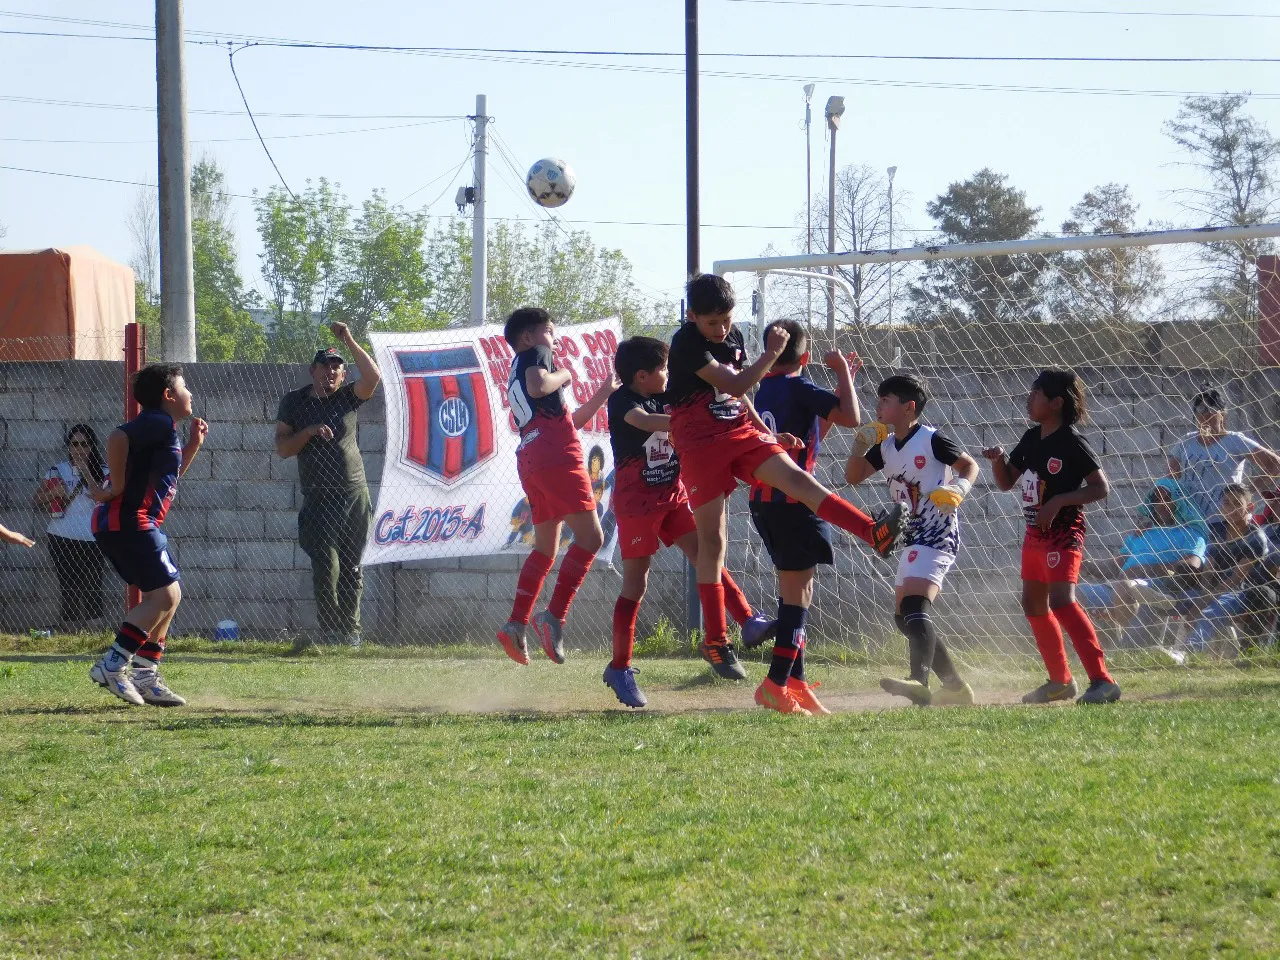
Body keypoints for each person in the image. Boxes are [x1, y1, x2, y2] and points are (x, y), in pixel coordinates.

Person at [666, 274, 904, 683]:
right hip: (698, 443)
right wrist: (771, 353)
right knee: (713, 542)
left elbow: (740, 398)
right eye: (711, 323)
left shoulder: (732, 337)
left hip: (738, 432)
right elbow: (738, 382)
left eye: (726, 319)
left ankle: (873, 533)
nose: (721, 329)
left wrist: (767, 434)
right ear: (692, 318)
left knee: (800, 481)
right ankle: (716, 640)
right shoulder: (686, 342)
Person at [603, 336, 773, 707]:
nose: (668, 374)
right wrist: (690, 422)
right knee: (636, 583)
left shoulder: (671, 394)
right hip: (637, 503)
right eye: (663, 369)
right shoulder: (623, 401)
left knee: (707, 554)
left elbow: (720, 400)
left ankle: (747, 620)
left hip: (673, 496)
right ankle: (620, 668)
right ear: (642, 376)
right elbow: (645, 422)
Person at [743, 319, 862, 714]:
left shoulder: (763, 390)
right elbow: (852, 418)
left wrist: (841, 386)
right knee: (799, 595)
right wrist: (841, 372)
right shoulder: (799, 386)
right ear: (806, 357)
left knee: (793, 592)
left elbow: (815, 434)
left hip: (764, 501)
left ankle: (795, 682)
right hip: (793, 502)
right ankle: (775, 685)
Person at [982, 368, 1122, 705]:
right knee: (1032, 603)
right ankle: (1060, 681)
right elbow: (1006, 482)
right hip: (1035, 534)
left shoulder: (1072, 442)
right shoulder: (1032, 438)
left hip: (1064, 533)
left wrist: (1058, 501)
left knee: (1061, 601)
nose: (1028, 399)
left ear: (1056, 402)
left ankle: (1103, 681)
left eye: (1036, 394)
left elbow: (1100, 488)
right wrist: (998, 460)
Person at [845, 373, 980, 708]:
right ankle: (954, 686)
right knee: (904, 617)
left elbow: (969, 466)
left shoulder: (931, 440)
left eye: (885, 400)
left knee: (914, 608)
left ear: (908, 407)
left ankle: (919, 682)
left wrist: (959, 488)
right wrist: (859, 446)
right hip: (911, 537)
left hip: (937, 533)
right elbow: (853, 477)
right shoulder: (886, 446)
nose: (877, 405)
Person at [495, 307, 617, 666]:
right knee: (591, 538)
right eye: (550, 331)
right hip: (555, 454)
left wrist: (602, 393)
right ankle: (553, 617)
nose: (555, 338)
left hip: (533, 456)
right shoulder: (537, 354)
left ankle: (516, 623)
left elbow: (569, 420)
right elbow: (540, 385)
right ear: (528, 337)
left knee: (546, 549)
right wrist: (565, 374)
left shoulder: (517, 367)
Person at [88, 363, 207, 707]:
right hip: (130, 522)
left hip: (132, 524)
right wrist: (117, 486)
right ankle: (112, 666)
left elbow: (169, 476)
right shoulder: (158, 422)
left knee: (171, 595)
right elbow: (117, 436)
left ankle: (145, 674)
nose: (190, 393)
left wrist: (193, 445)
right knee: (164, 597)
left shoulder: (164, 429)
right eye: (184, 388)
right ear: (168, 395)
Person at [275, 322, 381, 648]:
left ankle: (350, 633)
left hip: (354, 493)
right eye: (325, 366)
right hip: (319, 496)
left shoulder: (348, 397)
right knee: (326, 565)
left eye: (337, 367)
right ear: (313, 370)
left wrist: (348, 338)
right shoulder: (295, 402)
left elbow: (373, 378)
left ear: (343, 374)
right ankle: (331, 631)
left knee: (352, 565)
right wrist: (308, 432)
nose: (331, 372)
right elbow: (283, 448)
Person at [1075, 480, 1208, 640]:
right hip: (1119, 585)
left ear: (1180, 501)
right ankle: (1082, 647)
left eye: (1167, 498)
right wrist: (1084, 565)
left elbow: (1192, 565)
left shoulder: (1191, 534)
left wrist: (1146, 570)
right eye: (1157, 499)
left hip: (1157, 588)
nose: (1161, 504)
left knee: (1128, 587)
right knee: (1075, 593)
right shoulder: (1142, 533)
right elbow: (1115, 566)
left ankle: (1124, 641)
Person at [33, 424, 108, 630]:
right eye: (74, 444)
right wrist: (54, 493)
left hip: (93, 537)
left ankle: (94, 633)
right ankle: (70, 634)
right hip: (61, 535)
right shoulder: (58, 470)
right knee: (68, 586)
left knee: (93, 586)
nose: (79, 449)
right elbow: (36, 500)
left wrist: (86, 472)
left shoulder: (104, 471)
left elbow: (104, 498)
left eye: (84, 444)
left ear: (92, 446)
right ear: (69, 447)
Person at [1167, 387, 1280, 523]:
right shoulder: (1185, 442)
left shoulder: (1235, 440)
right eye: (1201, 409)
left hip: (1224, 522)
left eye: (1212, 409)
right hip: (1188, 522)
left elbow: (1276, 464)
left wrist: (1247, 492)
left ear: (1222, 414)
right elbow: (1169, 480)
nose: (1206, 415)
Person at [1185, 483, 1275, 652]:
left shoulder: (1256, 537)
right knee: (1164, 600)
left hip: (1240, 594)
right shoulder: (1216, 529)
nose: (1231, 508)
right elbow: (1209, 570)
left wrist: (1201, 604)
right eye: (1226, 503)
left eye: (1237, 503)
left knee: (1207, 613)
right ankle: (1135, 649)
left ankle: (1187, 651)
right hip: (1210, 591)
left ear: (1249, 507)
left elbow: (1235, 579)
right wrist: (1203, 595)